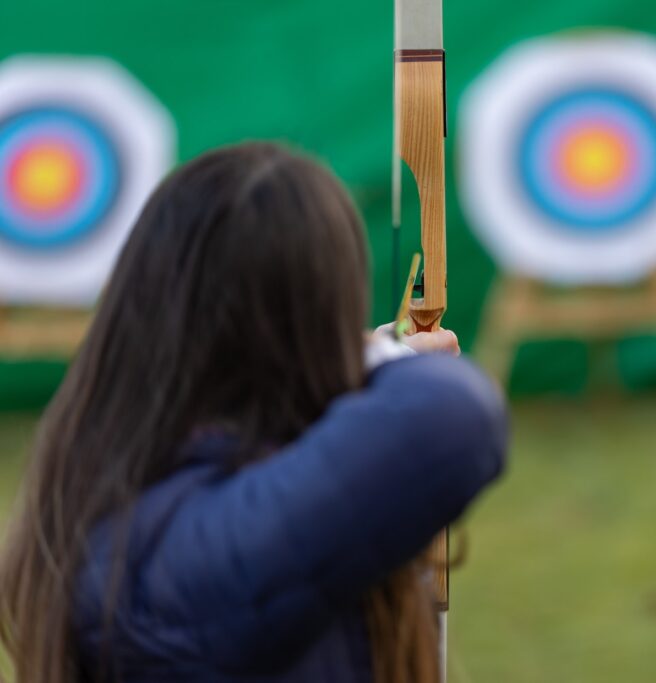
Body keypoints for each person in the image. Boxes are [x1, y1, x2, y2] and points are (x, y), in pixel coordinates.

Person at [0, 142, 507, 682]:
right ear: (317, 322)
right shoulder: (157, 556)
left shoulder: (129, 490)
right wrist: (379, 361)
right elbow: (454, 416)